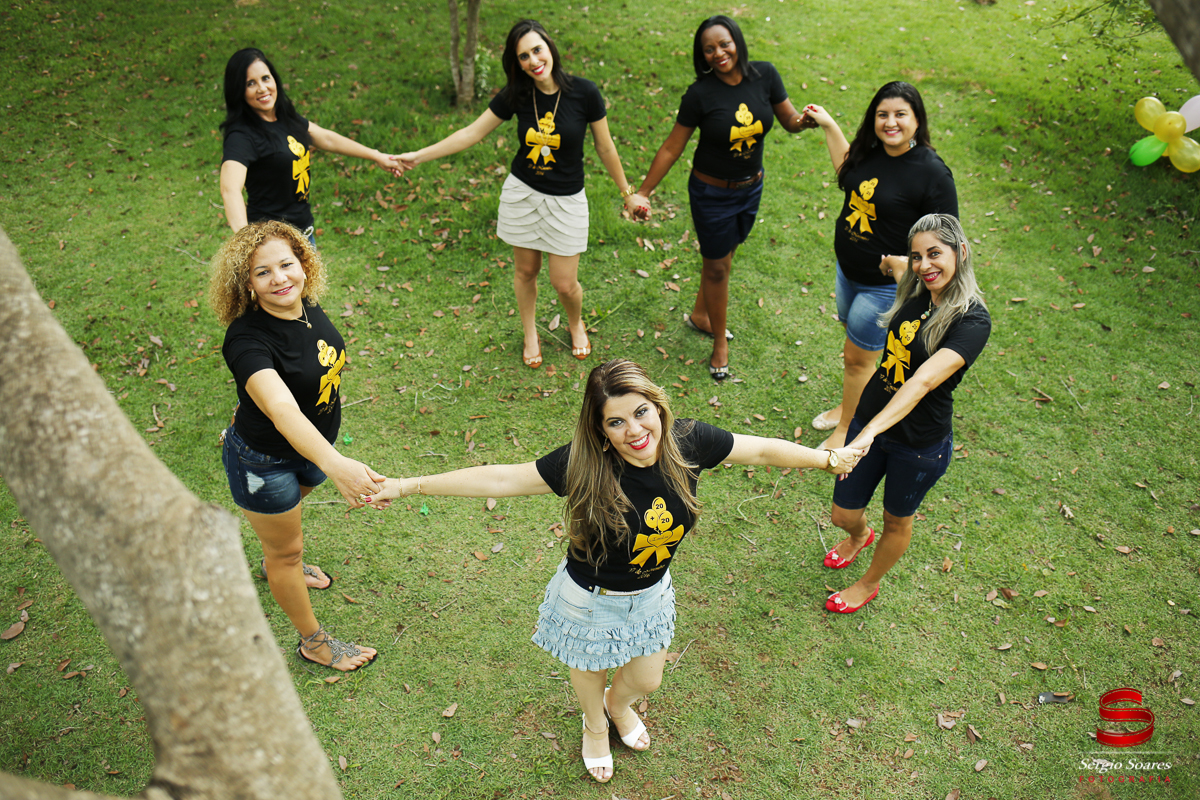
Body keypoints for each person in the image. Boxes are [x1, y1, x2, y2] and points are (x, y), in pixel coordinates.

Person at [363, 358, 863, 782]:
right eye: (616, 422)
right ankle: (595, 725)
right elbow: (501, 479)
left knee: (646, 681)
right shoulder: (585, 464)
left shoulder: (688, 442)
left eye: (641, 413)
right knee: (589, 670)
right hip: (590, 599)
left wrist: (826, 460)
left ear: (657, 407)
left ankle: (617, 705)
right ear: (600, 430)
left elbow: (761, 449)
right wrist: (408, 485)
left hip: (651, 593)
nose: (635, 431)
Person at [395, 20, 649, 369]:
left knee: (564, 284)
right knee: (525, 272)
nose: (533, 61)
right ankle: (530, 332)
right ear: (517, 63)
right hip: (523, 195)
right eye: (523, 56)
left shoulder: (585, 93)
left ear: (550, 47)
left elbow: (605, 148)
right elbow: (471, 133)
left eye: (537, 50)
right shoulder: (517, 94)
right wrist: (418, 156)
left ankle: (575, 323)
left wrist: (628, 193)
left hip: (566, 201)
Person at [209, 220, 382, 671]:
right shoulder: (245, 340)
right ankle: (314, 643)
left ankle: (276, 561)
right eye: (262, 272)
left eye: (286, 264)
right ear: (246, 284)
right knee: (287, 552)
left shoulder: (307, 305)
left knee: (283, 539)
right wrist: (337, 464)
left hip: (312, 451)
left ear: (304, 263)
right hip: (264, 464)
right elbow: (282, 410)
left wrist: (325, 456)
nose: (279, 279)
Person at [821, 214, 990, 614]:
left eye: (935, 254)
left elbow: (922, 382)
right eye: (917, 256)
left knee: (897, 521)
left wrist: (868, 433)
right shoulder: (916, 288)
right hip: (870, 421)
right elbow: (897, 265)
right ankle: (858, 536)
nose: (924, 265)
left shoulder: (972, 320)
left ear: (961, 252)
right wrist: (889, 262)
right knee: (842, 514)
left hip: (917, 444)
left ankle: (868, 584)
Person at [637, 15, 814, 382]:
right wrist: (643, 191)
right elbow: (672, 147)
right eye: (709, 49)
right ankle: (719, 341)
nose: (718, 53)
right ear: (701, 56)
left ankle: (701, 315)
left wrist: (806, 121)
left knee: (723, 256)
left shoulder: (765, 75)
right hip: (711, 193)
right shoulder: (700, 94)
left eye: (724, 44)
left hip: (751, 189)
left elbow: (789, 120)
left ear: (737, 41)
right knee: (718, 266)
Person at [801, 81, 958, 448]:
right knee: (859, 353)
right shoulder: (870, 151)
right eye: (882, 114)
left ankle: (847, 429)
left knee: (857, 358)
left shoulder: (932, 173)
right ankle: (850, 405)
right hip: (848, 274)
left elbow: (947, 240)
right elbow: (847, 172)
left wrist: (908, 263)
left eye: (901, 114)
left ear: (917, 120)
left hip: (885, 287)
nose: (890, 122)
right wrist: (830, 125)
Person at [219, 47, 404, 244]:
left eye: (265, 78)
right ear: (239, 91)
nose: (262, 88)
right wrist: (246, 243)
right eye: (250, 83)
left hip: (304, 236)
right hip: (272, 244)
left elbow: (326, 138)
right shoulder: (242, 135)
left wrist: (376, 156)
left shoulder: (283, 118)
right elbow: (230, 189)